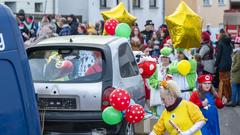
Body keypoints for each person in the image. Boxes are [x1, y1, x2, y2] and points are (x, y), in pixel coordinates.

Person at [149, 47, 172, 116]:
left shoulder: (172, 68)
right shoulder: (156, 67)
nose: (165, 59)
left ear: (169, 59)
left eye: (166, 57)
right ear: (161, 58)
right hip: (158, 96)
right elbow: (151, 80)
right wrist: (159, 83)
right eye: (163, 57)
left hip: (169, 96)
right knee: (159, 116)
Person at [215, 29, 233, 101]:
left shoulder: (220, 43)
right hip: (229, 64)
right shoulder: (229, 43)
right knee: (227, 81)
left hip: (222, 65)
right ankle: (228, 96)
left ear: (220, 34)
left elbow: (218, 55)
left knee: (222, 81)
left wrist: (216, 64)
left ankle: (221, 97)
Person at [227, 37, 240, 107]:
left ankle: (233, 102)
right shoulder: (236, 51)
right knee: (238, 88)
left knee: (234, 87)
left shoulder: (238, 52)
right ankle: (238, 101)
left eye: (237, 43)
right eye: (235, 43)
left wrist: (232, 69)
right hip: (237, 73)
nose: (235, 44)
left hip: (236, 73)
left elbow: (238, 64)